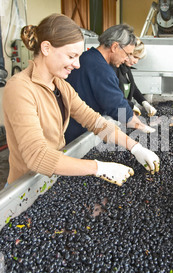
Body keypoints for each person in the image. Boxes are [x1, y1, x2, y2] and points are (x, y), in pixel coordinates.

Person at [2, 14, 160, 187]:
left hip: (54, 179)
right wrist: (97, 167)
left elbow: (94, 121)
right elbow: (36, 156)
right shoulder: (20, 88)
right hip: (27, 187)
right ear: (46, 48)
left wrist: (134, 147)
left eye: (78, 57)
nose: (77, 64)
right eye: (71, 56)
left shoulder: (61, 86)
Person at [65, 24, 152, 145]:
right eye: (127, 54)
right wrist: (140, 125)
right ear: (115, 47)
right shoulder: (101, 69)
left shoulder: (87, 57)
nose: (127, 59)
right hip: (76, 132)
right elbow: (116, 106)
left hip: (72, 123)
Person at [113, 38, 157, 118]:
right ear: (127, 53)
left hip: (123, 112)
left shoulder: (127, 69)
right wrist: (131, 106)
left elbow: (133, 88)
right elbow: (115, 94)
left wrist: (144, 102)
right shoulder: (114, 69)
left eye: (138, 59)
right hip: (114, 113)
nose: (136, 62)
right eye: (135, 57)